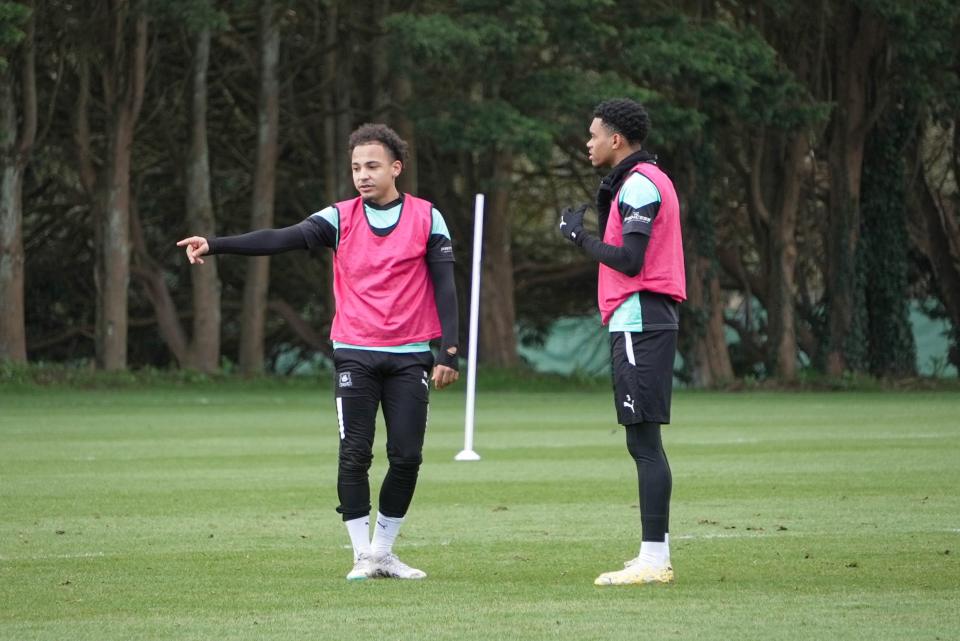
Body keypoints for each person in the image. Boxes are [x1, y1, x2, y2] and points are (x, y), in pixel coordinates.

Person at [178, 123, 460, 581]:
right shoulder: (340, 217)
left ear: (396, 167)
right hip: (354, 352)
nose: (363, 175)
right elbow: (281, 238)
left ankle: (383, 553)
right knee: (355, 453)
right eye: (355, 167)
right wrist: (216, 245)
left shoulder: (428, 217)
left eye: (372, 166)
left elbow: (446, 286)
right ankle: (360, 555)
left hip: (410, 354)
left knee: (407, 456)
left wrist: (448, 351)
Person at [559, 98, 686, 585]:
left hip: (641, 316)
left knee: (645, 442)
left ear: (616, 139)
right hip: (640, 317)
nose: (587, 143)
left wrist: (578, 238)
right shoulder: (647, 179)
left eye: (593, 135)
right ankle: (653, 554)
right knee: (643, 441)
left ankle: (655, 561)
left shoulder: (639, 184)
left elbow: (631, 260)